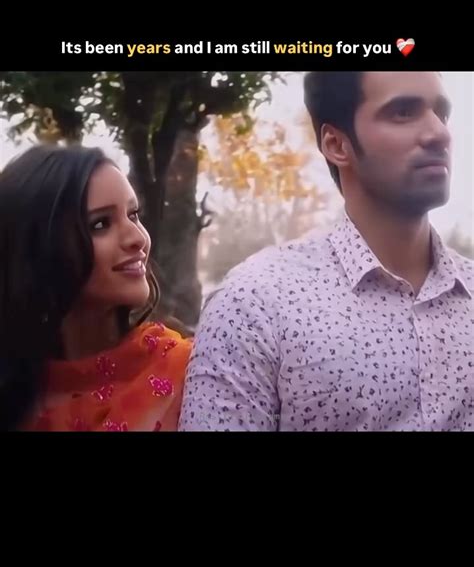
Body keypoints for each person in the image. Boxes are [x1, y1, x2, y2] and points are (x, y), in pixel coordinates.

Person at [179, 71, 474, 431]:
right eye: (403, 112)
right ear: (336, 144)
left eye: (441, 113)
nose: (439, 133)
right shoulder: (256, 303)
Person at [0, 144, 192, 431]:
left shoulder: (188, 373)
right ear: (39, 247)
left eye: (133, 215)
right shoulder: (15, 392)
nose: (138, 238)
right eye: (101, 224)